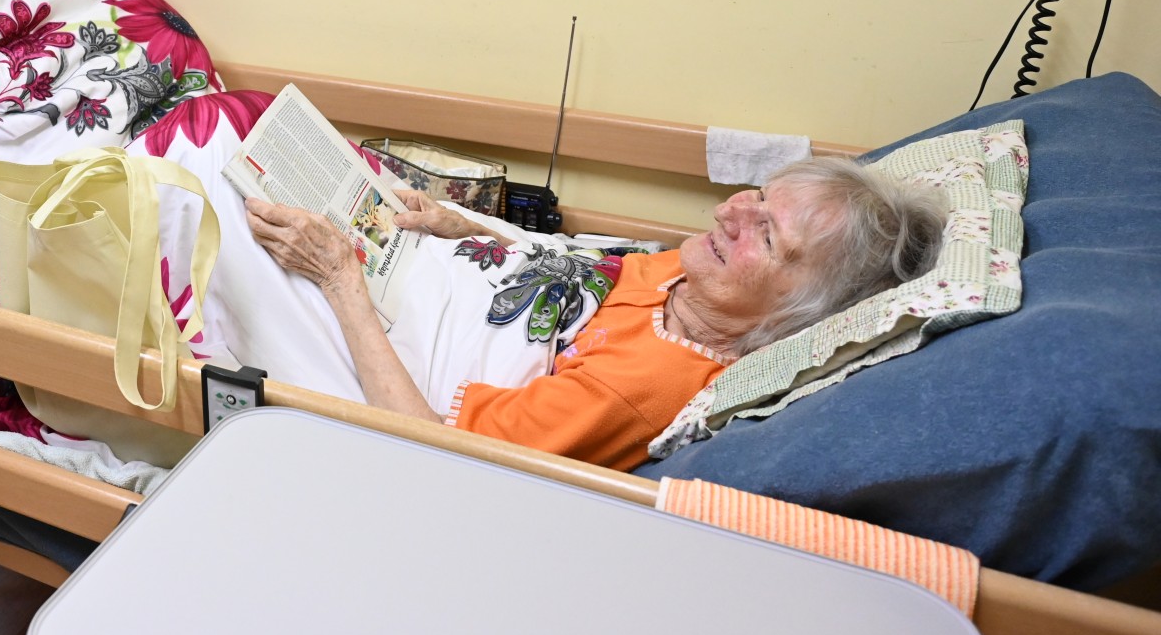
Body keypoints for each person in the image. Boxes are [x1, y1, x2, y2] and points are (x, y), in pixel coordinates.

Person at [246, 156, 947, 470]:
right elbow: (576, 269)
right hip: (411, 271)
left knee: (215, 205)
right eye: (757, 195)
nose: (730, 211)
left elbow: (431, 448)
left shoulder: (643, 387)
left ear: (799, 309)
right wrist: (466, 227)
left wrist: (337, 275)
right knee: (252, 137)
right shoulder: (689, 275)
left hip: (384, 344)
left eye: (766, 236)